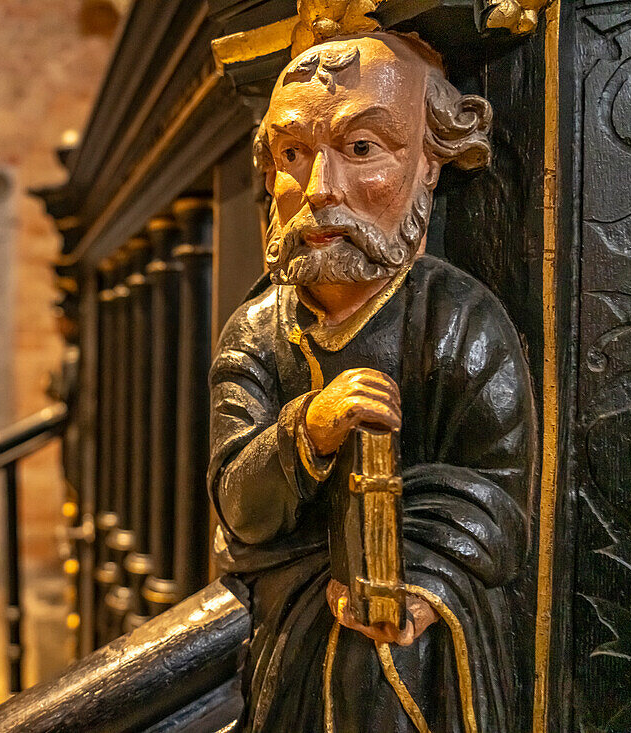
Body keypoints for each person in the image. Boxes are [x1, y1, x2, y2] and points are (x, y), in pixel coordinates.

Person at [208, 31, 537, 731]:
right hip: (290, 648)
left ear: (428, 164)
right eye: (293, 154)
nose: (319, 188)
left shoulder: (462, 327)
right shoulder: (257, 335)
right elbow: (238, 505)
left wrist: (423, 582)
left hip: (422, 656)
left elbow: (501, 499)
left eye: (362, 149)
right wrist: (308, 429)